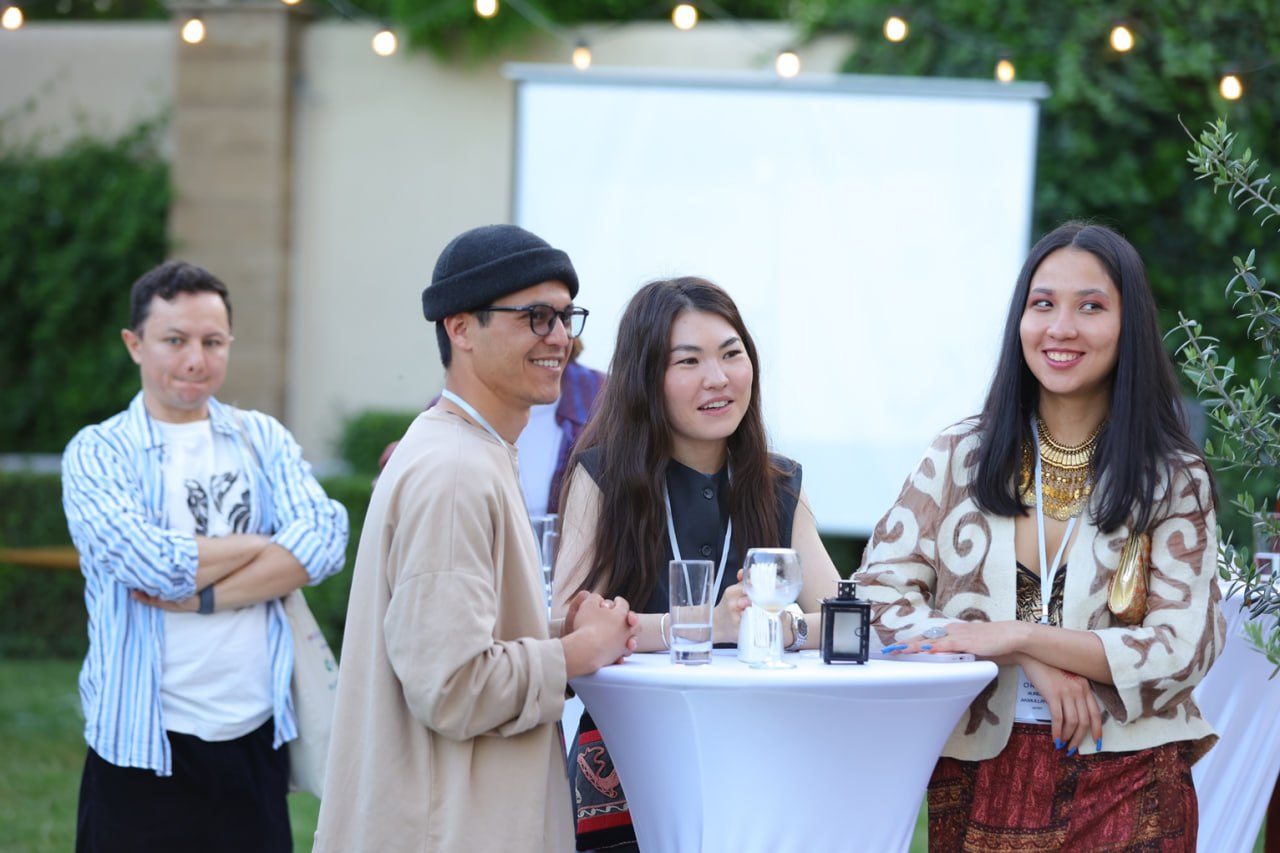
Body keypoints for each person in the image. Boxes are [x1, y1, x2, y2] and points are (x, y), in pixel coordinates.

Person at [857, 221, 1225, 851]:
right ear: (1020, 321)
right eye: (1043, 304)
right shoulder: (958, 456)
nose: (1061, 327)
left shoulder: (1173, 476)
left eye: (1091, 307)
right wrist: (1019, 655)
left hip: (1131, 773)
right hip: (978, 767)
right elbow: (871, 601)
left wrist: (1023, 635)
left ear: (1129, 325)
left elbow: (1183, 648)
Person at [314, 224, 639, 852]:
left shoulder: (468, 449)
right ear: (460, 328)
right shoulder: (456, 470)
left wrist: (567, 632)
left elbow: (462, 645)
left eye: (566, 316)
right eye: (536, 317)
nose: (560, 337)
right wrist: (577, 654)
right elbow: (452, 686)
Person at [61, 260, 350, 852]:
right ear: (134, 344)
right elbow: (149, 566)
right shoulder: (98, 452)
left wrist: (204, 597)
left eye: (212, 342)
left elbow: (325, 539)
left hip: (253, 737)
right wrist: (266, 543)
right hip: (140, 743)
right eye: (175, 340)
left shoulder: (261, 438)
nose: (196, 359)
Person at [552, 276, 841, 850]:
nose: (718, 378)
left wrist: (771, 627)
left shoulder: (779, 483)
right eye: (689, 361)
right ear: (645, 379)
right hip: (627, 764)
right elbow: (568, 625)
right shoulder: (603, 477)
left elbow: (847, 621)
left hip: (759, 758)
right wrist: (707, 625)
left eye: (732, 354)